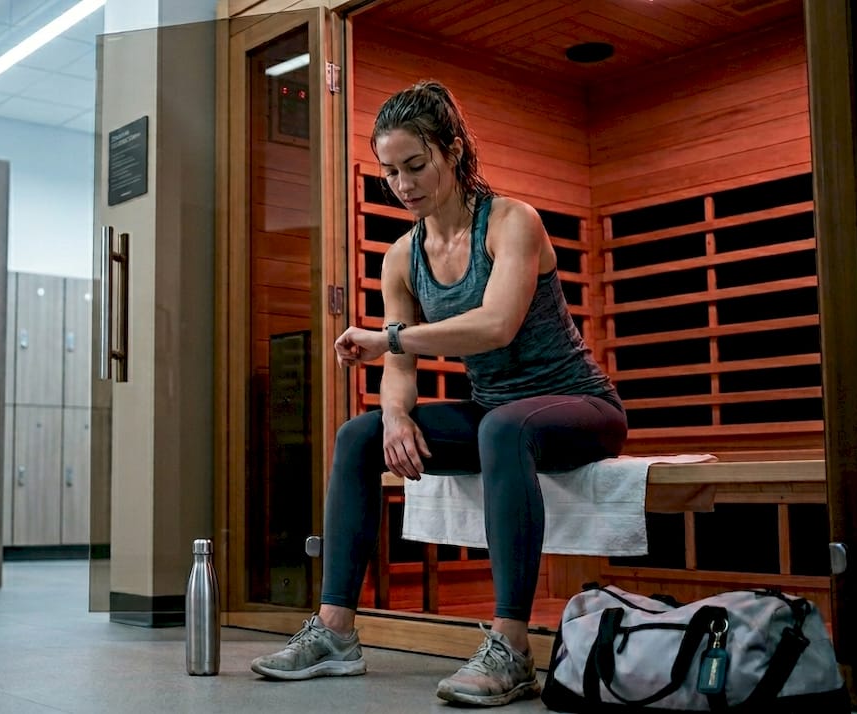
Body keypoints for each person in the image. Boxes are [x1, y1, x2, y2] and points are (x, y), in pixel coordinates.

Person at [249, 80, 627, 707]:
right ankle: (336, 633)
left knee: (503, 427)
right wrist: (395, 415)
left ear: (452, 151)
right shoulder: (402, 256)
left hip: (576, 404)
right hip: (495, 410)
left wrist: (387, 339)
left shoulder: (512, 222)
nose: (404, 185)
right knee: (360, 435)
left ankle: (510, 648)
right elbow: (402, 361)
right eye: (391, 172)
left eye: (416, 166)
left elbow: (495, 325)